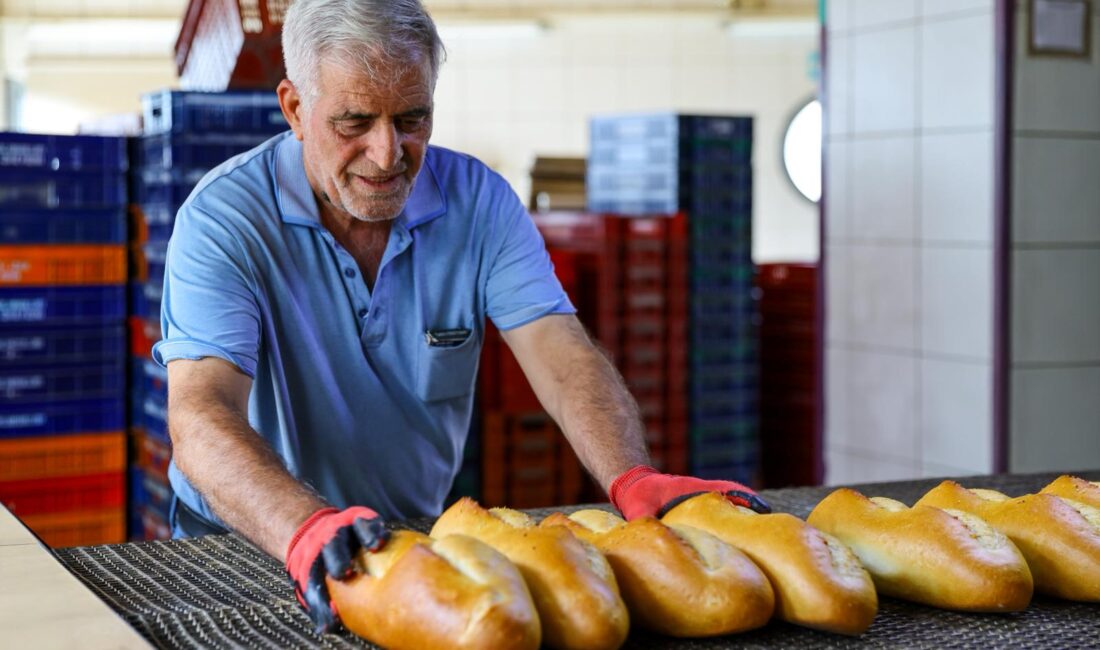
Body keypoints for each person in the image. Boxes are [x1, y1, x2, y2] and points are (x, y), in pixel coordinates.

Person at [155, 0, 770, 635]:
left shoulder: (480, 204)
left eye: (412, 118)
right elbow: (201, 412)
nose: (388, 152)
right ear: (294, 110)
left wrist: (632, 475)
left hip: (411, 540)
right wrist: (304, 529)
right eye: (354, 122)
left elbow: (561, 356)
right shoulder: (224, 221)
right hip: (246, 540)